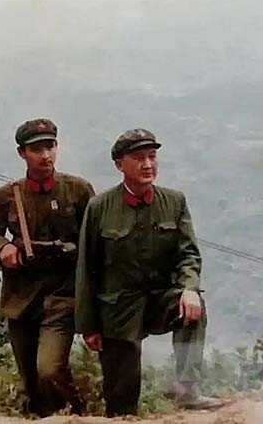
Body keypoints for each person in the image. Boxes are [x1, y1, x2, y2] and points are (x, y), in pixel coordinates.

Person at [75, 128, 222, 417]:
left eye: (152, 157)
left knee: (194, 308)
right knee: (122, 401)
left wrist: (189, 288)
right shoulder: (100, 207)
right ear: (120, 164)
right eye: (139, 158)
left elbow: (188, 253)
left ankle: (187, 390)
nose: (148, 164)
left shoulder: (174, 202)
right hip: (118, 311)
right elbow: (87, 269)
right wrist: (88, 325)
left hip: (159, 300)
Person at [0, 118, 95, 416]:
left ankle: (75, 416)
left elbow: (96, 240)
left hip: (63, 294)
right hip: (22, 298)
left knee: (49, 369)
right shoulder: (8, 195)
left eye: (50, 147)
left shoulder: (78, 190)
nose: (45, 155)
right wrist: (3, 249)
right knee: (32, 383)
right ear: (22, 153)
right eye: (37, 149)